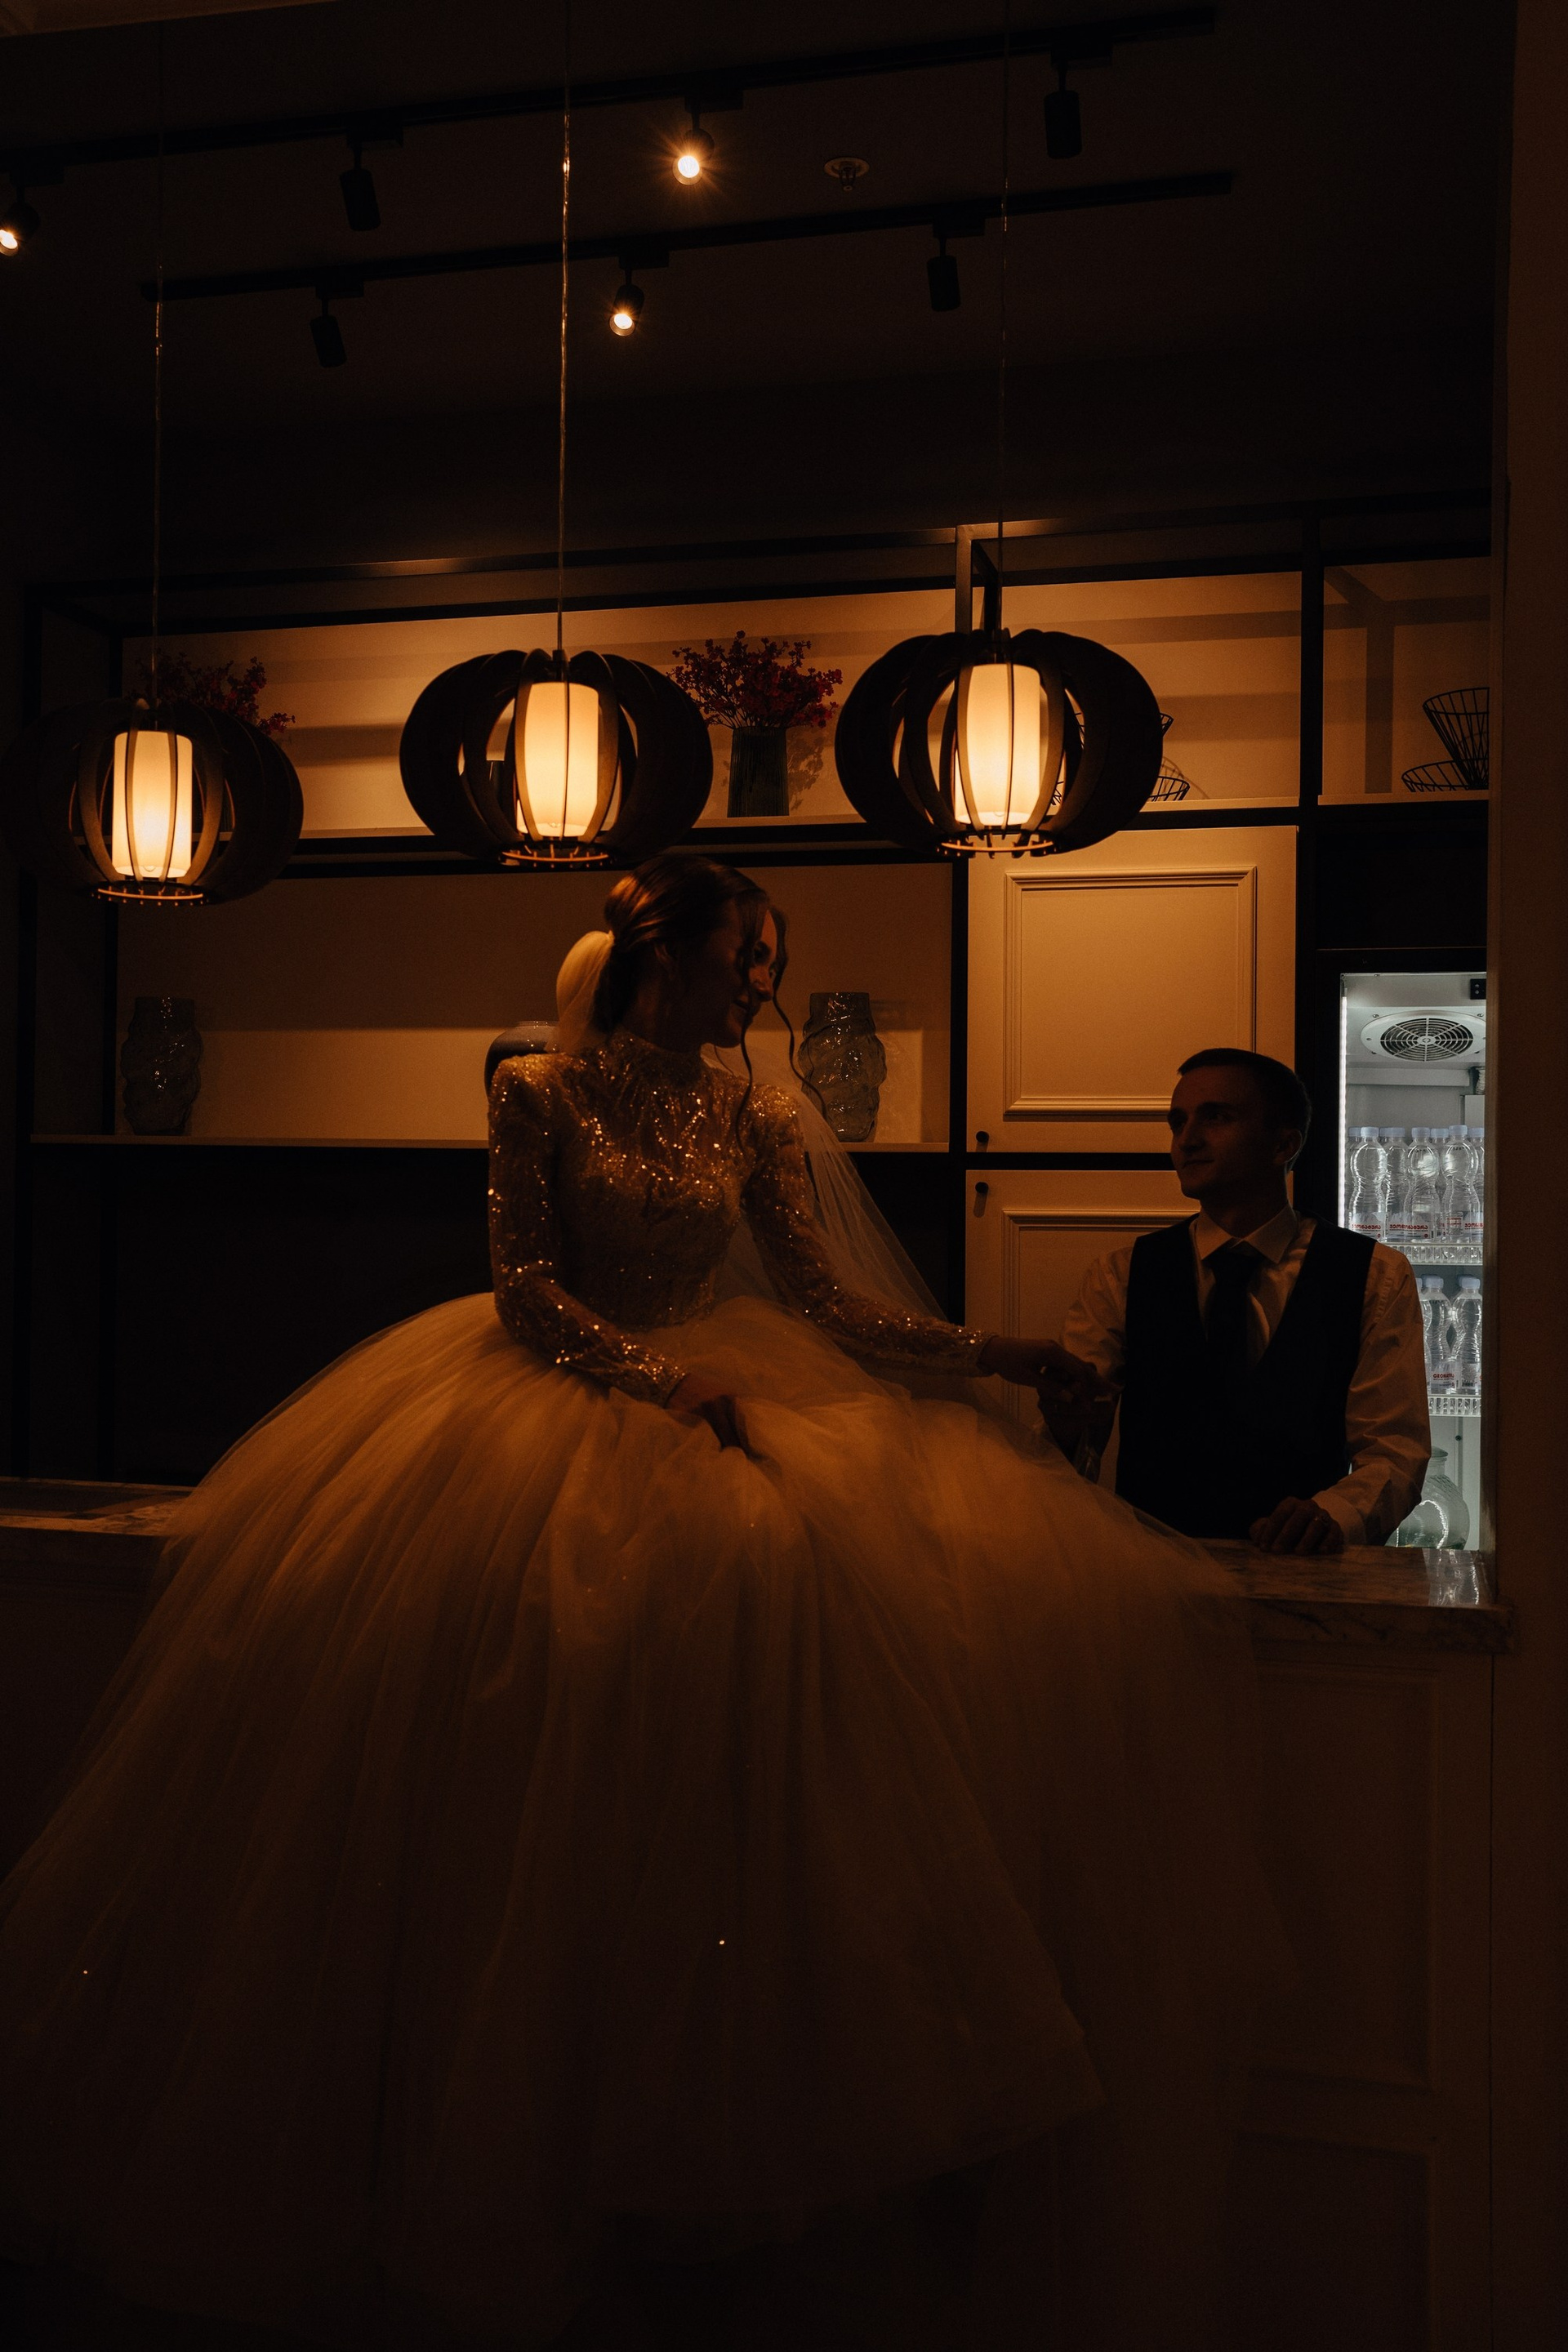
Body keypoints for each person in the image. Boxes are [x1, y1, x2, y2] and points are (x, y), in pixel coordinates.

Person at [0, 858, 1285, 2351]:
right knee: (535, 1691)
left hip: (727, 1374)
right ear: (667, 954)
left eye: (769, 958)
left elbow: (826, 1303)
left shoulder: (755, 1111)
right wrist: (662, 1378)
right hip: (558, 1394)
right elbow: (525, 1287)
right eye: (749, 954)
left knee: (789, 1624)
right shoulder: (539, 1089)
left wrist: (993, 1353)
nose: (763, 982)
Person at [1049, 1047, 1429, 1552]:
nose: (1187, 1140)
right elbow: (1073, 1441)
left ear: (1284, 1144)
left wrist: (1334, 1514)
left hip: (1304, 1574)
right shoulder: (1118, 1276)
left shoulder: (1375, 1276)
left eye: (1216, 1117)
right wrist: (1064, 1427)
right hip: (1153, 1572)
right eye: (1178, 1122)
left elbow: (1394, 1450)